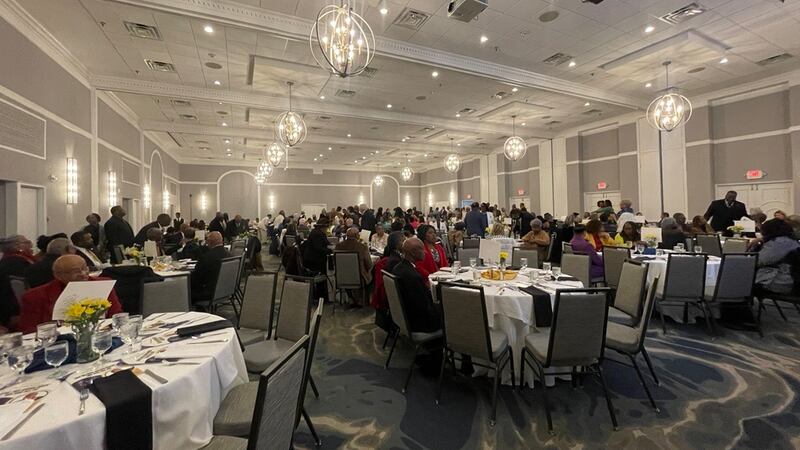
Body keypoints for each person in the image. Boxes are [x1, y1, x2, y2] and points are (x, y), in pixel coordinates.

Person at [17, 255, 123, 334]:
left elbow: (117, 316)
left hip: (101, 337)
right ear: (58, 275)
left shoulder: (102, 285)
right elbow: (29, 331)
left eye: (85, 268)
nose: (83, 274)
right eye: (76, 271)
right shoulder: (35, 296)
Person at [392, 238, 441, 333]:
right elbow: (424, 308)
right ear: (414, 253)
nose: (425, 252)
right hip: (421, 324)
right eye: (422, 249)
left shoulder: (398, 268)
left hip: (405, 318)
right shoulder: (413, 276)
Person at [754, 219, 800, 294]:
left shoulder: (777, 243)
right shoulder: (792, 241)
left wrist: (754, 248)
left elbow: (759, 261)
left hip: (778, 282)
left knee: (743, 278)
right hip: (791, 280)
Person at [0, 235, 35, 328]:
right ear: (17, 246)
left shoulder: (4, 261)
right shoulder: (20, 263)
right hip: (18, 309)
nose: (31, 245)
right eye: (27, 243)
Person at [191, 231, 230, 307]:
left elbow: (195, 278)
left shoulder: (206, 258)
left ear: (209, 242)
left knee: (183, 290)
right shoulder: (230, 255)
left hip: (209, 293)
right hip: (226, 290)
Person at [301, 217, 332, 302]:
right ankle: (321, 297)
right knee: (323, 274)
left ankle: (321, 296)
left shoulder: (317, 232)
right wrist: (330, 250)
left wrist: (330, 246)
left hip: (312, 258)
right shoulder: (317, 234)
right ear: (324, 227)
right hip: (314, 260)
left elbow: (325, 243)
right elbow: (318, 248)